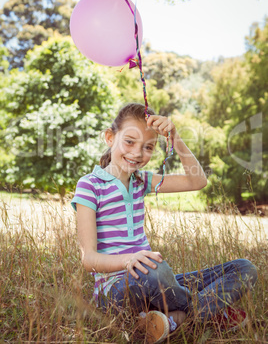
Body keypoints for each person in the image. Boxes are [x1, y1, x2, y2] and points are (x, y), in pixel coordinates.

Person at [71, 103, 257, 343]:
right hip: (117, 292)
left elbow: (197, 181)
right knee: (155, 269)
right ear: (109, 137)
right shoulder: (89, 185)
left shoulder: (142, 181)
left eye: (148, 147)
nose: (137, 153)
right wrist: (129, 260)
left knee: (244, 268)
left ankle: (165, 319)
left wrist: (175, 137)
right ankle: (204, 314)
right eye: (129, 142)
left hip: (155, 281)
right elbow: (89, 260)